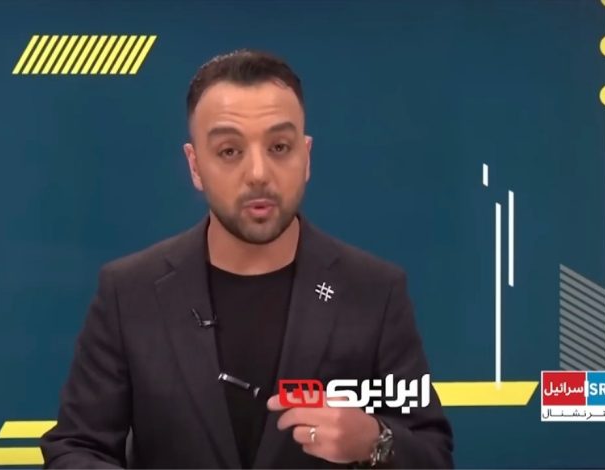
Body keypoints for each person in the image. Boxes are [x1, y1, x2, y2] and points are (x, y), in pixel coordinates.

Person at [40, 49, 453, 469]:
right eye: (229, 151)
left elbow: (433, 455)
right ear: (195, 165)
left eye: (279, 147)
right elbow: (75, 449)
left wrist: (375, 441)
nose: (258, 173)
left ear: (306, 156)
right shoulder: (129, 292)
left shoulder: (374, 291)